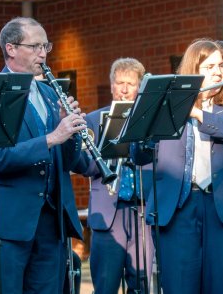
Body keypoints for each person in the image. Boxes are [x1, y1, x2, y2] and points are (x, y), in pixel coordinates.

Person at [132, 39, 223, 294]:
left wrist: (198, 113)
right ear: (194, 69)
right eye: (210, 66)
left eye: (221, 66)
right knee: (180, 284)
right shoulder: (168, 103)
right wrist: (145, 121)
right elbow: (139, 156)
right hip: (180, 206)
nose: (218, 71)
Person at [0, 17, 87, 293]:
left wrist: (69, 133)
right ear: (11, 49)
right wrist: (52, 137)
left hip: (50, 220)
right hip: (8, 222)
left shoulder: (50, 93)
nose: (43, 53)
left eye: (45, 45)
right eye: (35, 46)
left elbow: (68, 160)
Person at [82, 57, 153, 294]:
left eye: (130, 84)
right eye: (119, 83)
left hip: (142, 211)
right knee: (105, 286)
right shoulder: (93, 120)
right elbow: (86, 167)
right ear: (111, 85)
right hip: (109, 212)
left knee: (141, 285)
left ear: (140, 87)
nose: (124, 89)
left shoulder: (151, 121)